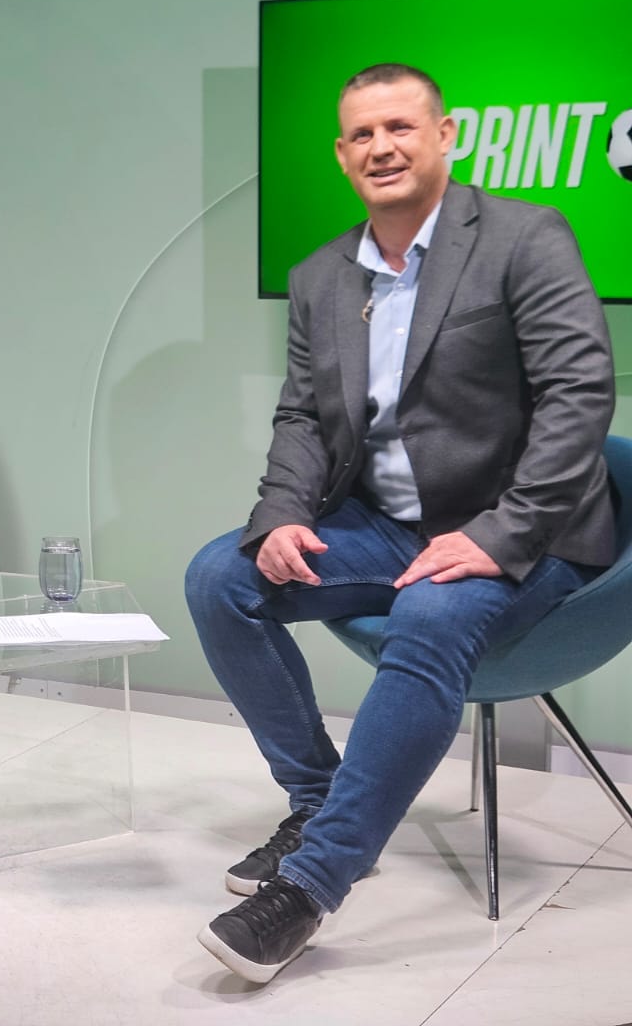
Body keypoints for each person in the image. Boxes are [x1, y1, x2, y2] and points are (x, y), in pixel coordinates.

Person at [185, 63, 615, 984]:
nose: (382, 147)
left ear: (445, 135)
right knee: (220, 577)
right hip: (388, 527)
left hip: (525, 530)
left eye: (400, 127)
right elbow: (303, 417)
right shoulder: (320, 276)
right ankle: (318, 802)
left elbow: (579, 396)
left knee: (430, 614)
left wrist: (498, 536)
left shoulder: (525, 237)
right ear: (343, 157)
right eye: (362, 135)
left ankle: (310, 887)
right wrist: (281, 516)